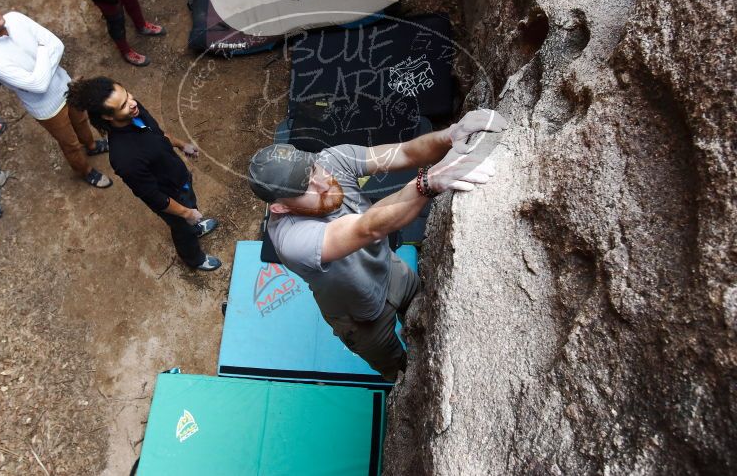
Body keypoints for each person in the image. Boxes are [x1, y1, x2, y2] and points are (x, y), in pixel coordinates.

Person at [247, 110, 506, 381]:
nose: (323, 183)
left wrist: (448, 136)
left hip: (391, 271)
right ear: (279, 207)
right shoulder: (290, 240)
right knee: (400, 369)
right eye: (305, 189)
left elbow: (404, 153)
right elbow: (367, 227)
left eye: (313, 169)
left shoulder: (332, 160)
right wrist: (427, 183)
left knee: (428, 314)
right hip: (360, 317)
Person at [0, 0, 112, 188]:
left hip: (66, 85)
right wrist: (42, 49)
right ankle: (86, 171)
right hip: (47, 108)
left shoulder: (15, 18)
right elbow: (39, 86)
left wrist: (42, 62)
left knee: (81, 120)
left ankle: (91, 146)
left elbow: (58, 45)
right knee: (70, 143)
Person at [66, 77, 222, 271]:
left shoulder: (134, 110)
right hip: (170, 197)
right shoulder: (124, 158)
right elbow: (155, 197)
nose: (132, 103)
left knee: (191, 210)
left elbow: (158, 133)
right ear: (108, 117)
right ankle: (194, 258)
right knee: (182, 229)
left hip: (180, 178)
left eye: (127, 95)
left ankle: (194, 226)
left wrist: (182, 145)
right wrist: (186, 213)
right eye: (123, 105)